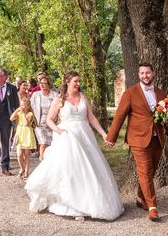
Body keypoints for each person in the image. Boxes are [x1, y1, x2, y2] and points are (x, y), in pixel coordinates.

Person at [25, 71, 124, 221]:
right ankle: (72, 205)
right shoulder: (59, 99)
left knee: (89, 168)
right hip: (67, 137)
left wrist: (104, 134)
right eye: (75, 81)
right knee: (71, 170)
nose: (78, 84)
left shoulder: (83, 97)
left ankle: (90, 202)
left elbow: (91, 118)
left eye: (79, 81)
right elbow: (50, 120)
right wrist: (58, 130)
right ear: (67, 82)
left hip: (85, 136)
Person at [106, 63, 167, 221]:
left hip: (157, 138)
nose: (145, 75)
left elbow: (166, 114)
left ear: (153, 73)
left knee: (151, 171)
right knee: (145, 171)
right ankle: (152, 207)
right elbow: (119, 116)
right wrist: (111, 137)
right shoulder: (130, 93)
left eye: (148, 72)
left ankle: (141, 199)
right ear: (139, 75)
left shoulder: (161, 94)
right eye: (142, 73)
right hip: (138, 139)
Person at [30, 74, 58, 160]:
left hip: (52, 123)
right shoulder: (35, 95)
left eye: (44, 83)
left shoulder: (55, 95)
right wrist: (32, 120)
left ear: (49, 84)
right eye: (40, 83)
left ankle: (49, 161)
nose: (41, 85)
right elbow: (31, 107)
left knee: (50, 144)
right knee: (43, 142)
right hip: (39, 123)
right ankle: (42, 160)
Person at [10, 95, 36, 178]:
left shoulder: (30, 114)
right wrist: (17, 110)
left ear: (27, 106)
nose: (21, 107)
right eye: (20, 105)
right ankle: (22, 168)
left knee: (26, 155)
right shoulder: (19, 112)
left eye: (23, 105)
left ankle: (26, 172)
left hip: (27, 134)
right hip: (20, 133)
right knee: (19, 154)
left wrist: (24, 113)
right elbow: (11, 118)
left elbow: (25, 123)